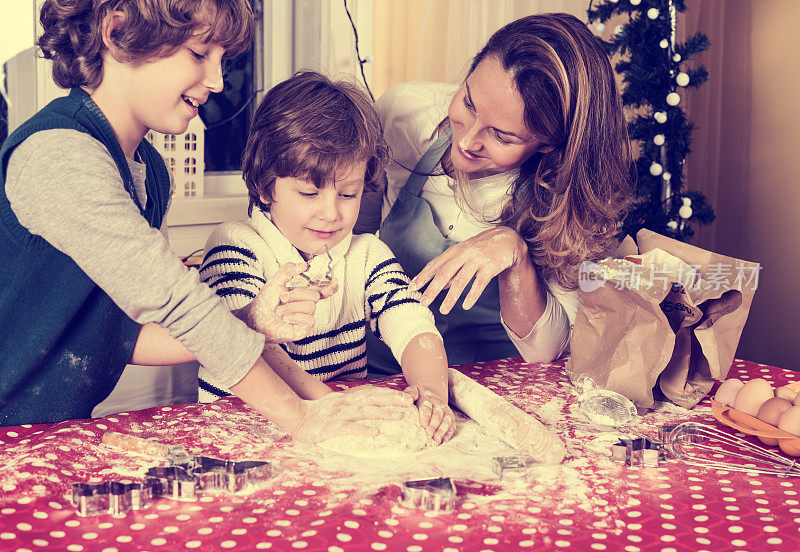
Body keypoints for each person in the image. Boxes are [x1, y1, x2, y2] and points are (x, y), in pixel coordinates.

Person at [0, 0, 411, 438]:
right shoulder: (61, 157)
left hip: (48, 428)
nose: (216, 81)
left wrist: (251, 320)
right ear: (117, 33)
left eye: (222, 60)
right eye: (199, 54)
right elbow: (176, 303)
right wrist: (302, 418)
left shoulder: (150, 172)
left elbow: (118, 336)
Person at [356, 13, 632, 371]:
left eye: (502, 136)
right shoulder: (403, 112)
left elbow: (548, 350)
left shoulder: (565, 200)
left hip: (479, 387)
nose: (468, 141)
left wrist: (515, 256)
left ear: (548, 144)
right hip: (376, 370)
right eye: (469, 103)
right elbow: (353, 236)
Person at [197, 72, 455, 443]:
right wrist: (329, 402)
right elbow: (242, 347)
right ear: (265, 185)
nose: (331, 214)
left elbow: (414, 327)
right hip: (239, 437)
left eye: (348, 195)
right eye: (308, 193)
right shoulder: (235, 246)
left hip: (334, 436)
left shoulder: (366, 256)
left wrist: (431, 394)